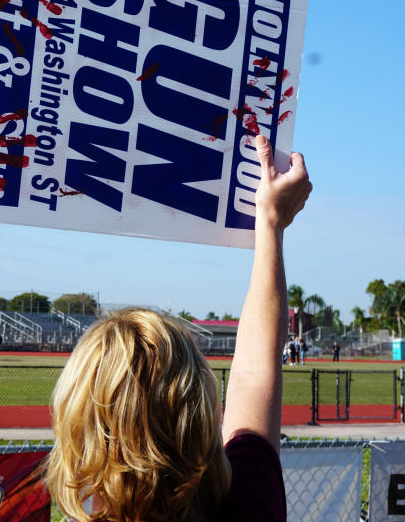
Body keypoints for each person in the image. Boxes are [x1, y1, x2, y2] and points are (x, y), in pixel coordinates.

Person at [48, 135, 310, 522]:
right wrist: (270, 223)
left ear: (77, 435)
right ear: (199, 413)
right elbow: (254, 375)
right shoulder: (246, 504)